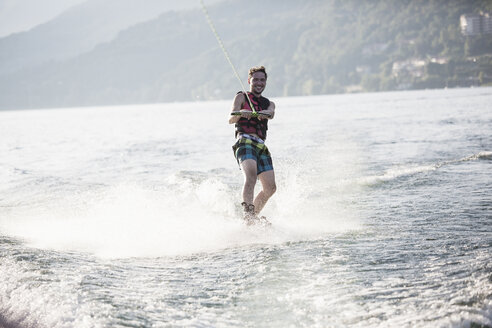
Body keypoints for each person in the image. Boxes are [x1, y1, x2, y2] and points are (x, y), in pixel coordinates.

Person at [229, 66, 276, 224]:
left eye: (262, 80)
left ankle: (253, 215)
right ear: (249, 81)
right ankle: (248, 215)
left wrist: (262, 114)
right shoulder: (241, 97)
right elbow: (231, 119)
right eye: (255, 79)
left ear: (265, 82)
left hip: (261, 146)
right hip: (245, 141)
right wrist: (241, 113)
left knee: (270, 188)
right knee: (250, 176)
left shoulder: (269, 103)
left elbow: (271, 114)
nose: (259, 83)